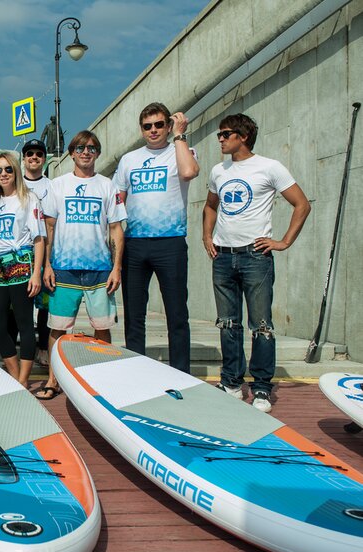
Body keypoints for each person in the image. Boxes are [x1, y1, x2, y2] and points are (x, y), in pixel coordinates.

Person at [202, 113, 310, 413]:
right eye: (219, 134)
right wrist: (206, 236)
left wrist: (284, 241)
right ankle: (232, 383)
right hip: (222, 256)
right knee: (228, 324)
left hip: (255, 256)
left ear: (243, 136)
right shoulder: (218, 170)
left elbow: (302, 204)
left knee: (261, 325)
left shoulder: (270, 167)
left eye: (225, 134)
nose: (220, 139)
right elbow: (211, 206)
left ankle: (261, 388)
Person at [36, 131, 126, 400]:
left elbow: (116, 230)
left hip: (99, 270)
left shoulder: (107, 186)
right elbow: (48, 227)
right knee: (58, 328)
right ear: (72, 153)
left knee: (102, 327)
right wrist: (48, 266)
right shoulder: (57, 185)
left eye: (91, 148)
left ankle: (100, 380)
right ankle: (54, 380)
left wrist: (117, 267)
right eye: (80, 148)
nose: (86, 152)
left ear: (97, 153)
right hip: (64, 270)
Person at [113, 102, 199, 373]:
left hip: (170, 243)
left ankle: (181, 374)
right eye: (148, 126)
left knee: (176, 314)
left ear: (168, 126)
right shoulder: (129, 159)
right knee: (134, 316)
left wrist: (180, 136)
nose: (153, 130)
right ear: (141, 129)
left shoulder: (181, 150)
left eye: (159, 124)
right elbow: (117, 201)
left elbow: (189, 173)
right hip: (135, 244)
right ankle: (137, 372)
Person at [0, 153, 44, 387]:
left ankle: (23, 379)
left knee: (24, 322)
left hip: (20, 261)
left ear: (16, 171)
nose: (3, 174)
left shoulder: (28, 199)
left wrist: (36, 272)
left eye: (8, 169)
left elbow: (39, 239)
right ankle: (15, 373)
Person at [22, 139, 53, 366]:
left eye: (39, 154)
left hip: (44, 251)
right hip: (20, 253)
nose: (34, 157)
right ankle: (22, 349)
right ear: (23, 159)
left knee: (44, 304)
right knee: (18, 306)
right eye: (30, 153)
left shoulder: (52, 186)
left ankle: (43, 347)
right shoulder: (14, 184)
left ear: (44, 158)